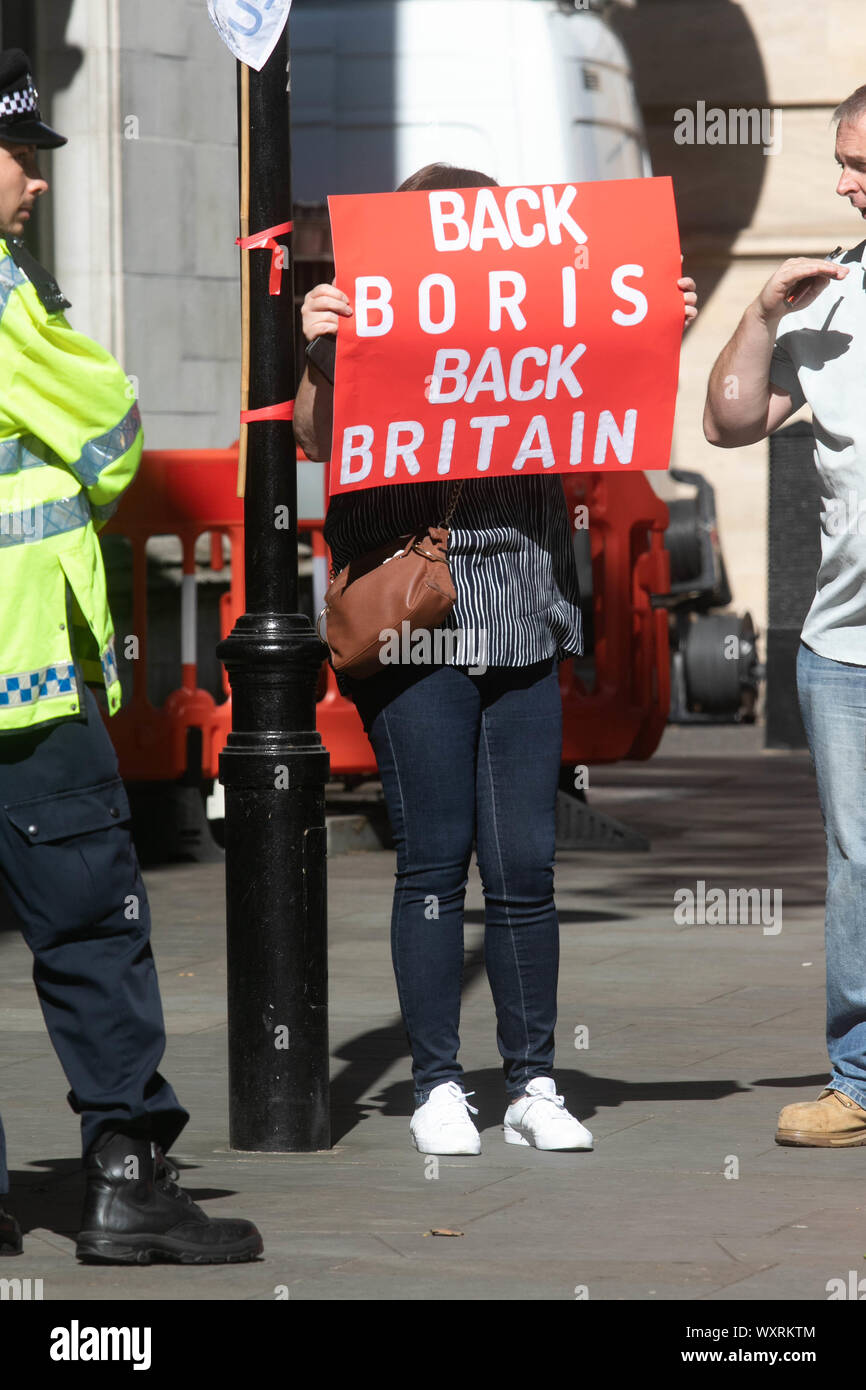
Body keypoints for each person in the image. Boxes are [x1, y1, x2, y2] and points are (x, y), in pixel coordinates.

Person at [296, 162, 698, 1155]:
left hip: (521, 620)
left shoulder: (531, 330)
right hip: (418, 625)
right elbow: (313, 439)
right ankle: (438, 1082)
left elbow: (604, 416)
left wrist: (652, 323)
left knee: (524, 865)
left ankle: (531, 1080)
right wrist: (320, 349)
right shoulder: (365, 327)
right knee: (433, 861)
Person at [0, 49, 262, 1262]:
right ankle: (124, 1178)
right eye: (18, 159)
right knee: (91, 930)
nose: (37, 186)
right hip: (26, 688)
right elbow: (111, 432)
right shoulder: (7, 300)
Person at [704, 87, 866, 1147]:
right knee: (859, 864)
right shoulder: (828, 296)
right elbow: (723, 419)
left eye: (862, 162)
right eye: (844, 162)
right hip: (843, 648)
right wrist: (761, 312)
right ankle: (857, 1083)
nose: (847, 183)